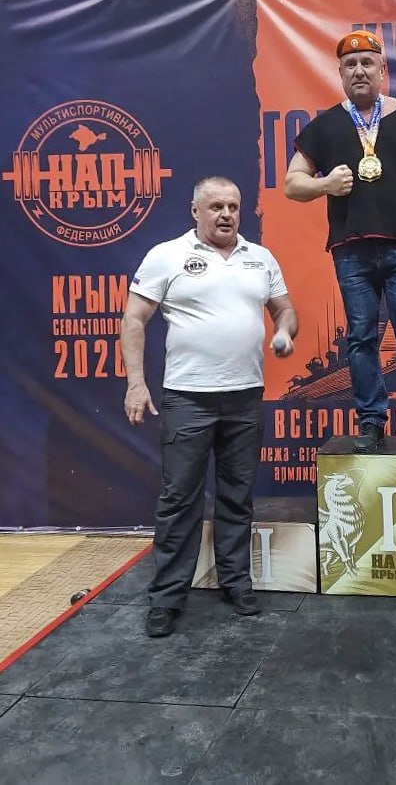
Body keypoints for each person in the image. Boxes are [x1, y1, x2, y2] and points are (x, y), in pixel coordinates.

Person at [120, 176, 297, 638]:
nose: (226, 214)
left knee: (237, 496)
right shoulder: (167, 255)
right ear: (195, 211)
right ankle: (166, 597)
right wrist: (136, 383)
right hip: (188, 399)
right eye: (216, 206)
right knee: (179, 500)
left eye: (233, 207)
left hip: (245, 396)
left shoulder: (260, 258)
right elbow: (134, 319)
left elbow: (285, 309)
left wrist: (284, 330)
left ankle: (236, 584)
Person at [284, 30, 396, 454]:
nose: (359, 71)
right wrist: (325, 184)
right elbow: (292, 183)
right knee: (360, 337)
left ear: (382, 70)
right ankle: (371, 421)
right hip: (351, 249)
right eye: (350, 65)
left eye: (367, 63)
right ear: (340, 73)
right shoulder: (327, 125)